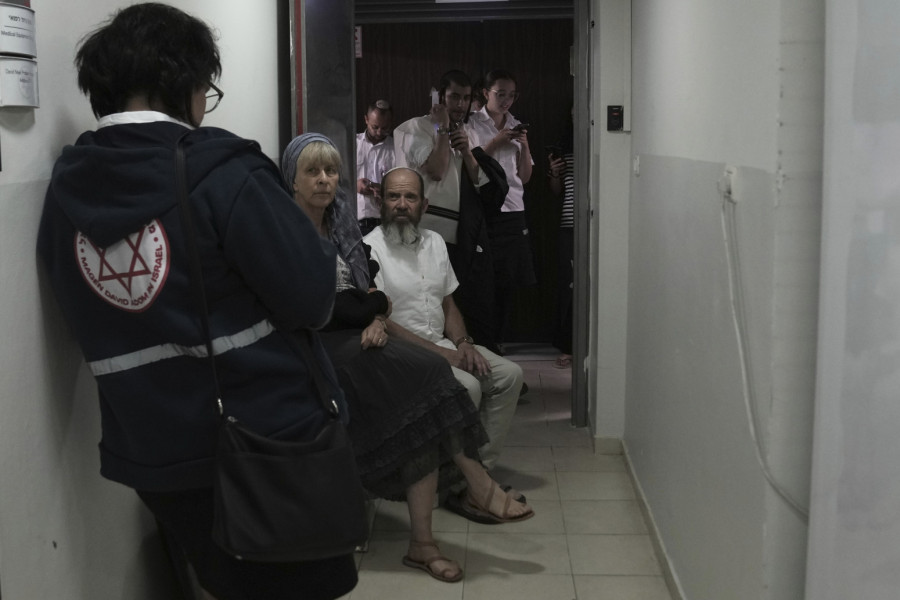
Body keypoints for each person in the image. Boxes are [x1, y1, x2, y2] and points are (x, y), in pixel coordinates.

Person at [35, 5, 357, 599]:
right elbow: (314, 298)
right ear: (184, 83)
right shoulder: (222, 171)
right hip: (266, 442)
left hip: (152, 451)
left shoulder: (64, 193)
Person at [281, 133, 534, 582]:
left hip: (359, 341)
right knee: (432, 380)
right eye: (312, 172)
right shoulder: (285, 232)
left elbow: (364, 295)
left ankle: (427, 540)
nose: (323, 180)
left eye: (331, 171)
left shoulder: (340, 227)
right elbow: (322, 307)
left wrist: (374, 309)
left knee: (429, 394)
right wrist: (372, 309)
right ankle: (476, 486)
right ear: (292, 180)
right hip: (318, 351)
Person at [364, 167, 526, 509]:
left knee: (509, 376)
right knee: (468, 386)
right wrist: (446, 356)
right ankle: (470, 485)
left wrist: (464, 343)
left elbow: (448, 302)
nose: (402, 204)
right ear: (380, 202)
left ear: (424, 205)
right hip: (401, 354)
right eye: (394, 196)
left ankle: (473, 480)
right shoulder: (369, 248)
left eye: (410, 197)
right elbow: (382, 320)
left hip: (444, 343)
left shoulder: (435, 242)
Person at [393, 70, 509, 354]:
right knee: (429, 305)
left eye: (466, 98)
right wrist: (442, 129)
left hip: (462, 233)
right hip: (425, 230)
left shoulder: (466, 132)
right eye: (454, 97)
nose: (460, 104)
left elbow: (481, 184)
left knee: (465, 303)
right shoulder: (414, 128)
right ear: (439, 97)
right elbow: (436, 169)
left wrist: (467, 151)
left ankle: (473, 359)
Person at [467, 69, 537, 352]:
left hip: (514, 210)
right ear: (486, 93)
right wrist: (495, 143)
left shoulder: (516, 124)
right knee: (482, 279)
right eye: (501, 94)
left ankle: (498, 340)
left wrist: (525, 146)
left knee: (509, 281)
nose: (507, 100)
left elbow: (525, 177)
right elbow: (469, 167)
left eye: (512, 95)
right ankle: (479, 341)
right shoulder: (472, 123)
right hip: (484, 208)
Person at [548, 111, 575, 368]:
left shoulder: (601, 143)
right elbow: (556, 192)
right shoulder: (565, 149)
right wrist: (555, 174)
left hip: (594, 223)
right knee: (568, 285)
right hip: (568, 222)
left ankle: (579, 343)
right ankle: (567, 344)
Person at [356, 99, 395, 236]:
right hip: (353, 222)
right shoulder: (352, 144)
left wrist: (385, 191)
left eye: (385, 128)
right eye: (375, 127)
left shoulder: (396, 149)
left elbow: (403, 187)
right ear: (366, 120)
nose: (379, 132)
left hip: (385, 224)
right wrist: (354, 185)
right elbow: (336, 181)